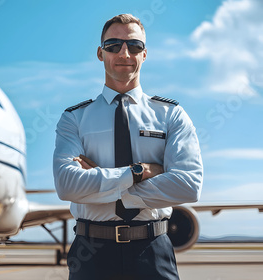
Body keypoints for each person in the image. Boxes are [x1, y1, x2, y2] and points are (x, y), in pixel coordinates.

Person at [53, 14, 203, 280]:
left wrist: (105, 184)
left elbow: (188, 185)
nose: (124, 53)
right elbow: (67, 185)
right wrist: (138, 172)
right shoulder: (74, 118)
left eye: (134, 46)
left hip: (153, 250)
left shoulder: (171, 115)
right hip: (91, 254)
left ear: (144, 54)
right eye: (113, 45)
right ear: (100, 53)